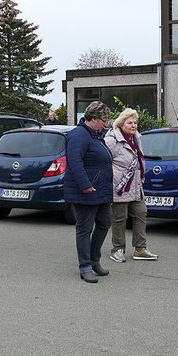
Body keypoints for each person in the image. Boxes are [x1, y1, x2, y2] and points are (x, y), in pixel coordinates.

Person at [64, 101, 113, 283]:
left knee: (104, 223)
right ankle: (85, 266)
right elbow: (75, 162)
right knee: (85, 229)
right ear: (93, 119)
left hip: (101, 191)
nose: (105, 124)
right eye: (103, 120)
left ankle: (94, 261)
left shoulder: (96, 135)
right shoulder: (79, 135)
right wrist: (85, 185)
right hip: (86, 191)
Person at [104, 108, 158, 262]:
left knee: (141, 213)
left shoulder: (137, 138)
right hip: (119, 186)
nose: (133, 125)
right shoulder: (112, 140)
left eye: (135, 122)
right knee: (119, 218)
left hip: (135, 185)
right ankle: (118, 249)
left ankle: (140, 249)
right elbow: (104, 162)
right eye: (130, 123)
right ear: (121, 124)